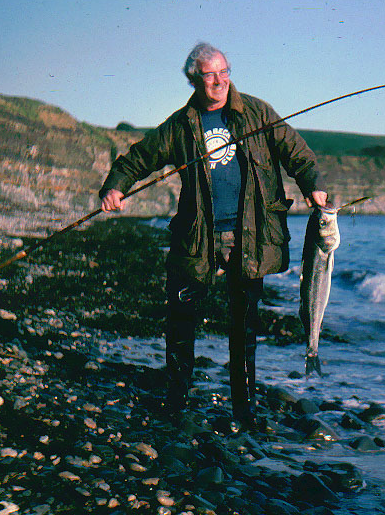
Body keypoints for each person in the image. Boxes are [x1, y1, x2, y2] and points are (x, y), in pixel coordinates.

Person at [99, 42, 327, 425]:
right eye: (210, 74)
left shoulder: (257, 112)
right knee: (181, 317)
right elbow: (138, 158)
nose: (220, 81)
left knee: (244, 324)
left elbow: (296, 152)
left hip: (250, 236)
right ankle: (176, 400)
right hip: (198, 236)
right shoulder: (180, 124)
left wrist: (313, 185)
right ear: (194, 79)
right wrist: (115, 185)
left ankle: (245, 408)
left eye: (225, 71)